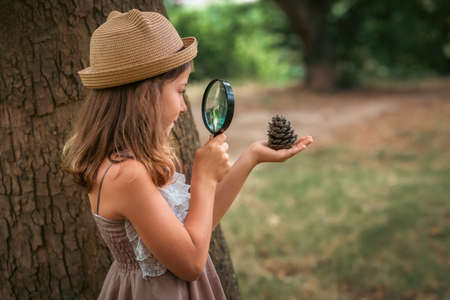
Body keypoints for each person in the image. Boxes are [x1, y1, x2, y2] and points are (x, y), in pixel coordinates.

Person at [61, 8, 313, 300]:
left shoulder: (139, 161)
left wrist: (251, 158)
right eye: (180, 91)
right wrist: (204, 176)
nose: (183, 107)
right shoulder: (125, 175)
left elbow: (197, 230)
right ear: (146, 96)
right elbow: (192, 263)